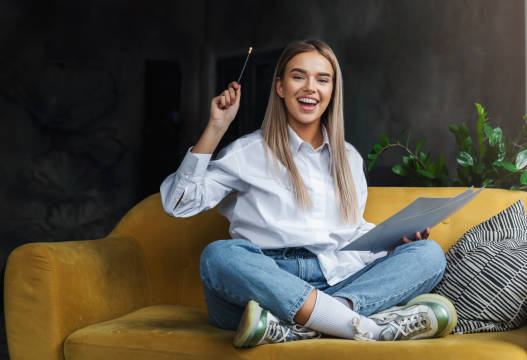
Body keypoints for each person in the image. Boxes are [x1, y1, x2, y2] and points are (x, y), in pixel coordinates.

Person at [160, 39, 457, 347]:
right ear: (280, 87)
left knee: (428, 254)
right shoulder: (247, 152)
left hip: (336, 281)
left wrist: (392, 246)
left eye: (322, 79)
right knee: (219, 255)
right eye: (298, 76)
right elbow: (177, 203)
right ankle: (360, 325)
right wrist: (216, 128)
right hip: (265, 286)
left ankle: (312, 322)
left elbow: (350, 234)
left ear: (332, 90)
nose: (310, 88)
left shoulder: (349, 158)